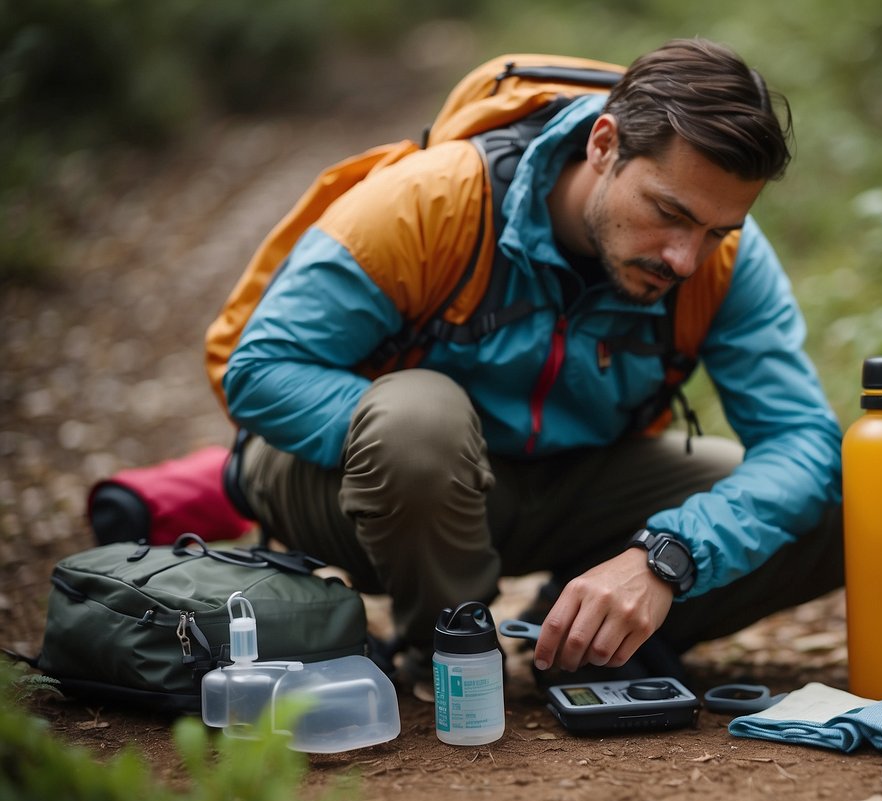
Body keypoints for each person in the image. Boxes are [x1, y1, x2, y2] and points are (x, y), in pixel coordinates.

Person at [211, 38, 844, 688]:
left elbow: (801, 441)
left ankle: (578, 637)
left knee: (843, 496)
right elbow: (260, 369)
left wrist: (669, 555)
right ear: (604, 145)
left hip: (567, 487)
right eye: (668, 212)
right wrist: (423, 444)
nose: (684, 259)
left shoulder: (724, 260)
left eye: (716, 231)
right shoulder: (429, 203)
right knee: (420, 421)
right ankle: (448, 643)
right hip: (379, 495)